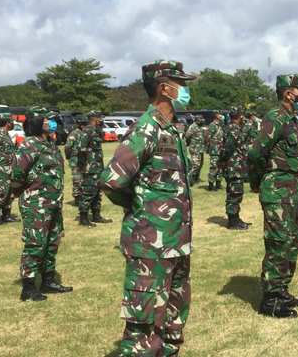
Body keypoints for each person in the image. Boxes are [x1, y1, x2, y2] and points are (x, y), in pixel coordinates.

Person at [100, 60, 195, 356]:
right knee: (144, 327)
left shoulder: (171, 129)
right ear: (165, 89)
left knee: (173, 318)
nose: (186, 89)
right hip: (149, 246)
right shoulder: (146, 128)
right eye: (181, 84)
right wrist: (142, 209)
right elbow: (113, 180)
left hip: (176, 243)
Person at [248, 74, 298, 318]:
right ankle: (269, 300)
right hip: (278, 193)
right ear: (288, 94)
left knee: (292, 242)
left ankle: (282, 289)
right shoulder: (274, 117)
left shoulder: (290, 118)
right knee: (278, 243)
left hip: (293, 193)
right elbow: (256, 154)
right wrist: (257, 182)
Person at [12, 107, 72, 302]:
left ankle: (48, 280)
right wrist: (26, 191)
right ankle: (28, 287)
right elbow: (16, 175)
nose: (51, 123)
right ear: (37, 122)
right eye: (48, 120)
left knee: (52, 242)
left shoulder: (51, 144)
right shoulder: (29, 145)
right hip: (36, 204)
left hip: (54, 202)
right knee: (35, 243)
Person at [219, 106, 252, 230]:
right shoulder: (233, 130)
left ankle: (237, 219)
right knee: (234, 194)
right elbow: (227, 149)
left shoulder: (233, 128)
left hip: (237, 166)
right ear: (241, 116)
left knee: (237, 193)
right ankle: (233, 223)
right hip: (234, 167)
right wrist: (221, 162)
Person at [77, 110, 112, 227]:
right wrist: (84, 166)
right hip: (90, 169)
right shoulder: (87, 131)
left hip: (97, 168)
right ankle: (83, 218)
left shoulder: (95, 131)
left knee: (97, 193)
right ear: (96, 119)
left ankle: (96, 215)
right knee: (88, 193)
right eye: (101, 119)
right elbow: (81, 151)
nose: (102, 121)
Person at [0, 113, 20, 225]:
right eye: (11, 121)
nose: (13, 123)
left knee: (9, 193)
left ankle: (6, 215)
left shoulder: (6, 135)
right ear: (7, 122)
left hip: (9, 169)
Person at [64, 115, 88, 207]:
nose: (82, 125)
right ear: (77, 123)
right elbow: (67, 148)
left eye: (84, 123)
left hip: (87, 161)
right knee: (77, 180)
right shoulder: (73, 134)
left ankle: (85, 198)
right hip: (76, 161)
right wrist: (69, 157)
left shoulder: (88, 133)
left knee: (86, 180)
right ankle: (78, 198)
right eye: (80, 123)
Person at [206, 110, 225, 191]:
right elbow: (207, 137)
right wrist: (209, 148)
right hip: (214, 150)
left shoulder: (219, 126)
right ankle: (211, 185)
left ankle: (218, 183)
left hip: (220, 150)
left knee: (220, 168)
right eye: (220, 114)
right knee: (214, 167)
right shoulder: (212, 125)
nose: (221, 116)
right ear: (216, 116)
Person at [185, 114, 207, 183]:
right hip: (194, 148)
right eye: (201, 121)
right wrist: (189, 143)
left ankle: (196, 177)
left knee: (200, 164)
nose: (202, 122)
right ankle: (190, 178)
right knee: (195, 164)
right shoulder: (192, 127)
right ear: (197, 121)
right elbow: (187, 136)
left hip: (200, 149)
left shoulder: (198, 127)